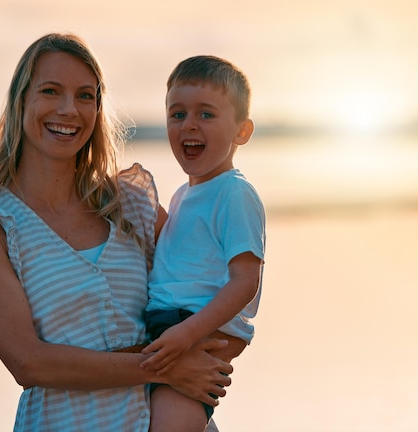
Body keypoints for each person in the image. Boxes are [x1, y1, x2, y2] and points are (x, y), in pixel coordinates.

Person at [0, 33, 233, 431]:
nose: (68, 110)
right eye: (50, 91)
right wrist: (164, 368)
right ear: (21, 100)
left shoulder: (131, 203)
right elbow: (29, 362)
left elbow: (208, 279)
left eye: (85, 96)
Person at [139, 55, 266, 432]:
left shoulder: (234, 193)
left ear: (241, 132)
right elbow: (178, 251)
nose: (189, 124)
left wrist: (188, 334)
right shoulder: (185, 194)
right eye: (177, 114)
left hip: (195, 327)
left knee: (171, 420)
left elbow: (246, 281)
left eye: (206, 114)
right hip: (170, 323)